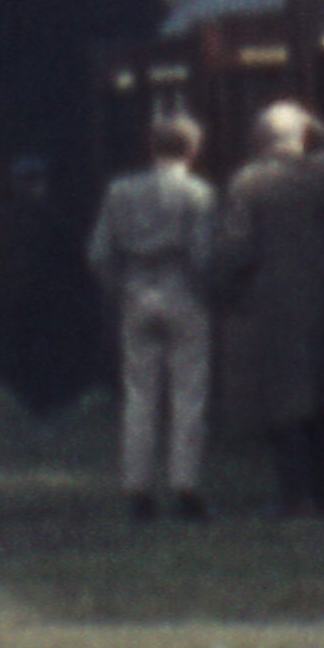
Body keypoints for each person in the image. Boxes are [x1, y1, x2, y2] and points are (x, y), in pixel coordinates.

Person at [221, 100, 324, 517]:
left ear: (261, 139)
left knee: (285, 399)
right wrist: (316, 125)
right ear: (302, 136)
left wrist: (227, 286)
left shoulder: (249, 182)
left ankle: (295, 497)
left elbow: (237, 248)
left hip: (277, 300)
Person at [90, 106, 222, 523]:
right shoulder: (199, 194)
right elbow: (202, 256)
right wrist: (209, 290)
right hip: (183, 291)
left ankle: (138, 490)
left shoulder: (120, 191)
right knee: (188, 393)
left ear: (151, 146)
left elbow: (98, 252)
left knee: (139, 394)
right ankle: (185, 486)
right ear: (194, 149)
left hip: (136, 290)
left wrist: (118, 286)